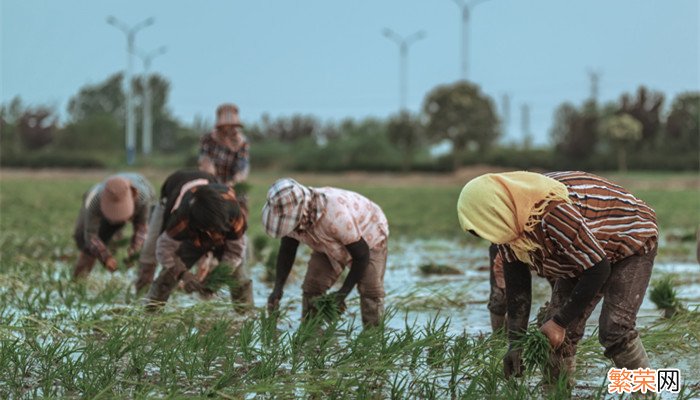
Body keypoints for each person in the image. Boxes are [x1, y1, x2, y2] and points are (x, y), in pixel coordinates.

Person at [457, 171, 658, 383]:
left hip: (630, 238)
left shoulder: (550, 212)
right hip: (584, 253)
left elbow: (598, 268)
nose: (493, 237)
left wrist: (560, 322)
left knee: (614, 329)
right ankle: (558, 392)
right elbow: (518, 285)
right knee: (553, 335)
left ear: (495, 211)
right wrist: (515, 344)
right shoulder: (509, 227)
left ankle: (646, 393)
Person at [263, 178, 389, 327]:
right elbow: (287, 250)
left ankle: (373, 336)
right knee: (313, 285)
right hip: (325, 241)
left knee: (370, 289)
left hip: (368, 233)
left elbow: (361, 255)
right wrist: (278, 288)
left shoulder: (336, 216)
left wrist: (342, 293)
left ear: (301, 211)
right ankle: (310, 332)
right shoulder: (292, 218)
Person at [144, 179, 252, 310]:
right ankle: (150, 312)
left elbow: (235, 252)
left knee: (239, 278)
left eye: (214, 229)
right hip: (193, 241)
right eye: (208, 229)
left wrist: (216, 278)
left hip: (225, 241)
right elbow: (165, 250)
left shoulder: (234, 213)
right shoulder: (182, 217)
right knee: (167, 277)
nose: (211, 234)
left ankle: (245, 316)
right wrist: (183, 274)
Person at [135, 169, 219, 293]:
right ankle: (143, 288)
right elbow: (164, 245)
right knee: (151, 247)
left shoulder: (217, 211)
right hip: (169, 198)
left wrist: (206, 257)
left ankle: (206, 292)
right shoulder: (176, 214)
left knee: (209, 256)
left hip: (205, 199)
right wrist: (182, 274)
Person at [72, 173, 155, 279]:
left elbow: (141, 228)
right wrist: (106, 257)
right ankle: (78, 281)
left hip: (141, 201)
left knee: (149, 245)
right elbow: (91, 236)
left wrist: (134, 251)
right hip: (98, 209)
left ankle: (145, 287)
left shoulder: (143, 197)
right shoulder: (95, 201)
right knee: (85, 242)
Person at [198, 103, 250, 186]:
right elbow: (205, 162)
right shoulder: (208, 139)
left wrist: (232, 184)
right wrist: (213, 181)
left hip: (232, 185)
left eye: (234, 126)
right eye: (228, 126)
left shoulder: (242, 143)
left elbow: (241, 169)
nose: (232, 129)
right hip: (211, 183)